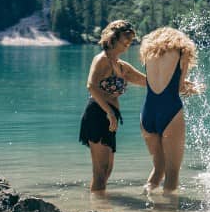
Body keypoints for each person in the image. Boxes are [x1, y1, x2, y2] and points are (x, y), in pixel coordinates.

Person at [79, 20, 145, 193]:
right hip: (98, 114)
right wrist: (109, 112)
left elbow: (148, 81)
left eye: (130, 39)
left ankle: (99, 206)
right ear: (112, 38)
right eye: (126, 38)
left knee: (107, 170)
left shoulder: (121, 66)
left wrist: (180, 83)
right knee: (100, 172)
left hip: (110, 117)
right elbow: (91, 86)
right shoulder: (101, 59)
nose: (128, 43)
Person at [139, 27, 202, 194]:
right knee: (172, 174)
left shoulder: (150, 53)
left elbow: (159, 81)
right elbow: (179, 87)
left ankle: (148, 205)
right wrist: (194, 89)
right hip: (170, 111)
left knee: (158, 169)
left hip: (147, 113)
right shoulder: (182, 52)